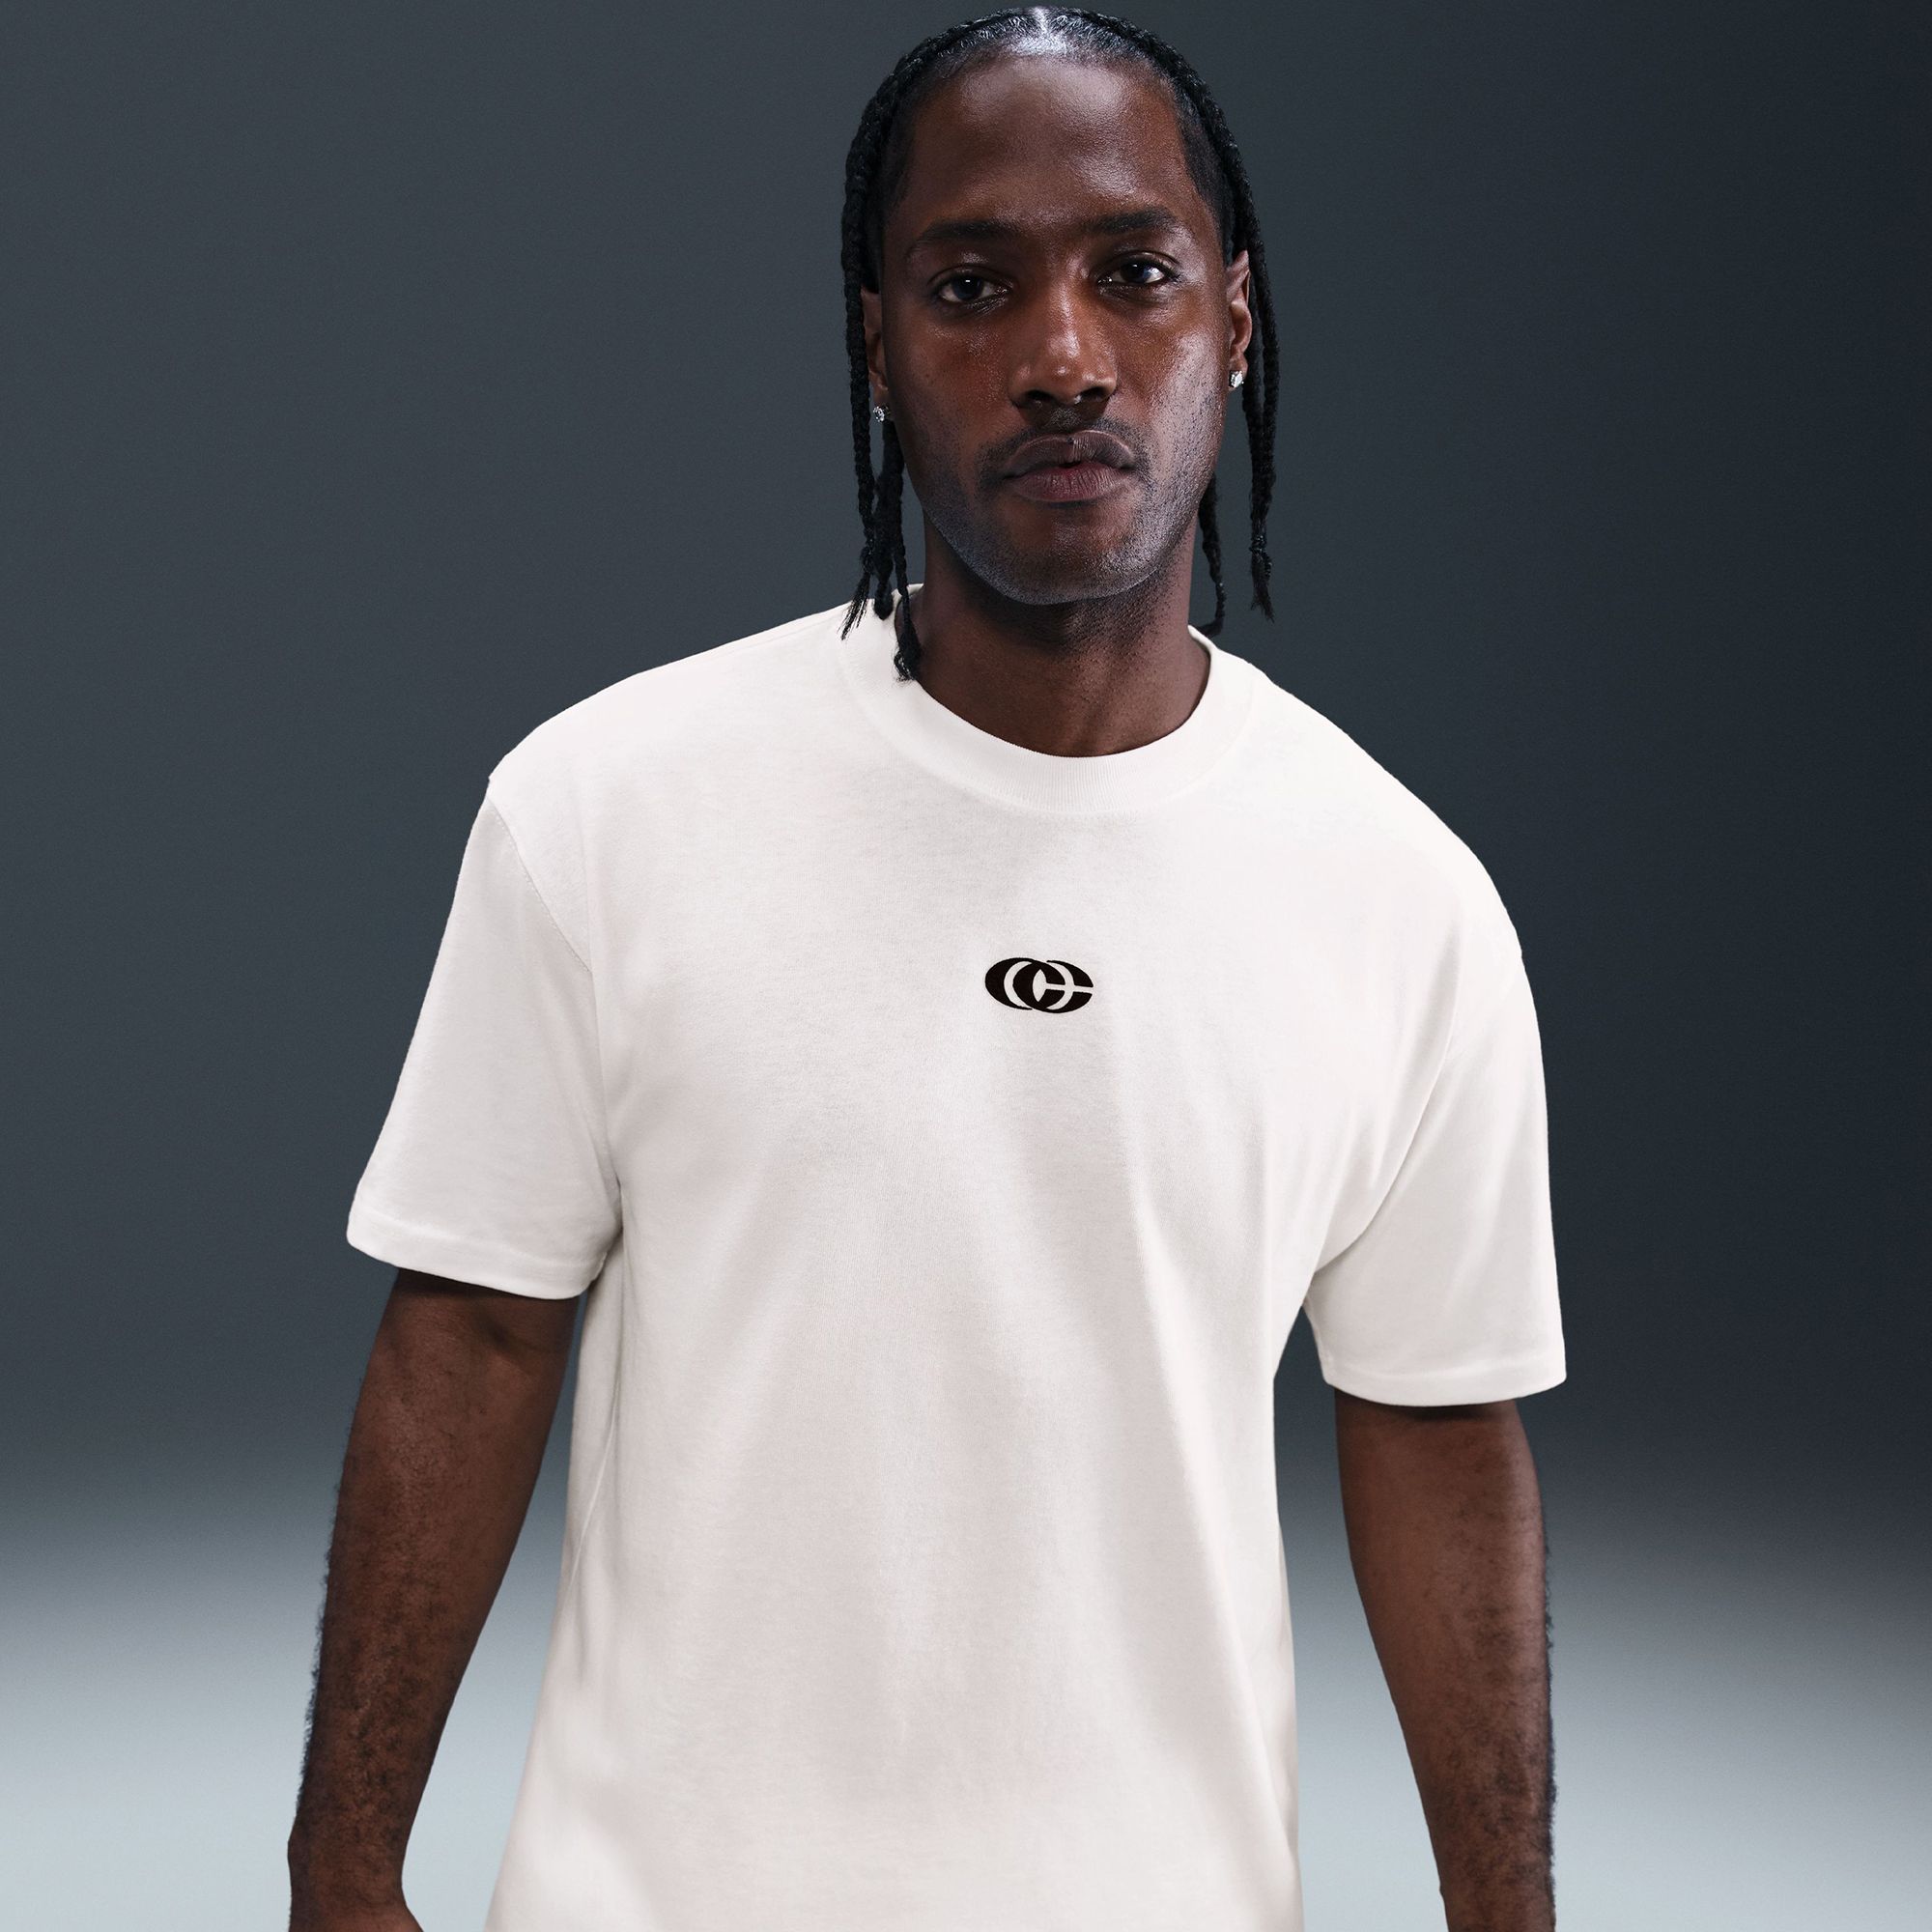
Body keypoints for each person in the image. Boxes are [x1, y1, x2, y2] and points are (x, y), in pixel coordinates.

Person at [287, 10, 1566, 1930]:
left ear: (1234, 321)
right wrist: (338, 1874)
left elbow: (1438, 1430)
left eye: (1132, 272)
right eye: (972, 285)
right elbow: (469, 1337)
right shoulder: (605, 809)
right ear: (876, 344)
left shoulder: (1401, 899)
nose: (1062, 357)